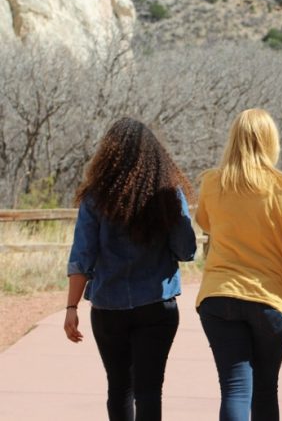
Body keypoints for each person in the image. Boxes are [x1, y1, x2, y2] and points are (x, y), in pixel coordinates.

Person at [63, 117, 197, 421]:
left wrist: (71, 306)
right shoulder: (168, 194)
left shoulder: (95, 197)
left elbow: (82, 255)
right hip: (157, 305)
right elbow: (186, 250)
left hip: (108, 307)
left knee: (119, 387)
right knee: (149, 390)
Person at [195, 108, 282, 421]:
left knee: (234, 388)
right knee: (265, 387)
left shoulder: (212, 182)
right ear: (270, 141)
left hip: (218, 296)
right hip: (270, 301)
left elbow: (205, 222)